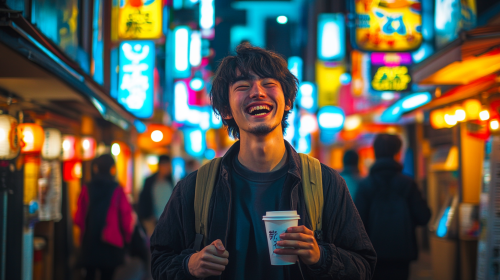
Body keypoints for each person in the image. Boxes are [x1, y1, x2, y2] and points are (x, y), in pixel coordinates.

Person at [150, 44, 376, 280]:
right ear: (226, 109)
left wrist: (321, 257)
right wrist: (190, 265)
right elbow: (160, 261)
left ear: (288, 101)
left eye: (269, 84)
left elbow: (364, 266)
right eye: (243, 86)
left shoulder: (325, 183)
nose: (257, 92)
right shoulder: (195, 187)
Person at [355, 134, 431, 280]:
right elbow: (424, 217)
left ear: (375, 152)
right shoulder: (408, 184)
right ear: (397, 153)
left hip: (372, 254)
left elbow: (357, 224)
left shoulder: (365, 186)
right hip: (402, 254)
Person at [74, 154, 135, 280]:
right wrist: (127, 240)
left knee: (89, 275)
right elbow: (126, 217)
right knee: (107, 275)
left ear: (96, 168)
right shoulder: (117, 189)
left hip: (89, 241)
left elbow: (79, 217)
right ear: (112, 168)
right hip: (110, 242)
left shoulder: (87, 188)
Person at [138, 155, 174, 237]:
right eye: (166, 166)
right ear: (160, 166)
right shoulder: (150, 181)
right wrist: (147, 217)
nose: (168, 168)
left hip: (167, 220)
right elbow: (144, 199)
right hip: (152, 220)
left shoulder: (170, 181)